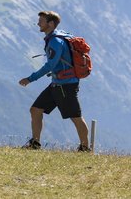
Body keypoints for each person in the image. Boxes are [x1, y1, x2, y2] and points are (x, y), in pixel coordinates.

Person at [18, 10, 90, 152]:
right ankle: (35, 143)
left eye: (41, 21)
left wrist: (30, 79)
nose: (38, 23)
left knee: (75, 117)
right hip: (58, 83)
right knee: (35, 110)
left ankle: (85, 148)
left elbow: (50, 65)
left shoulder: (55, 41)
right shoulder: (59, 36)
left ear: (50, 24)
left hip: (66, 85)